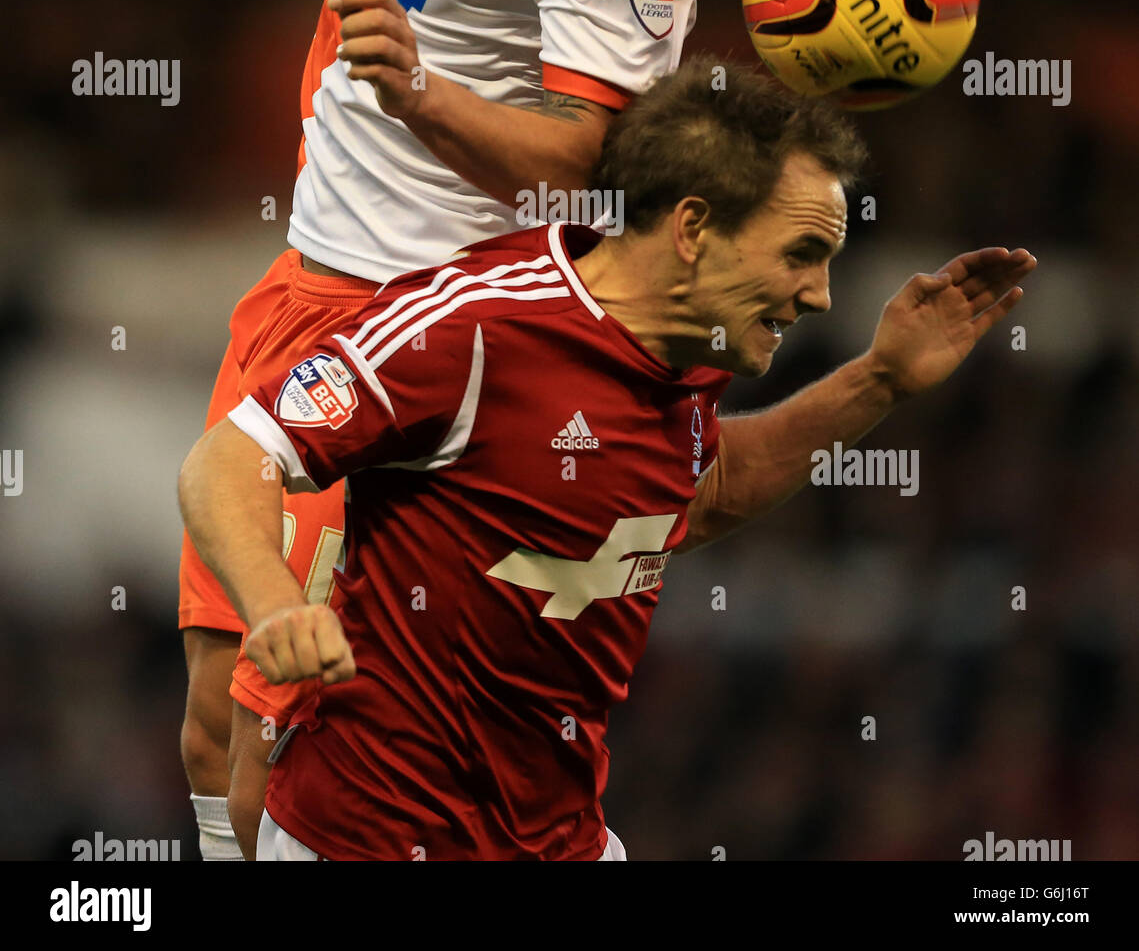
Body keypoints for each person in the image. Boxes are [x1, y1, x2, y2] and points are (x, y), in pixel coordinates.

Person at [178, 0, 807, 860]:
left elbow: (592, 165)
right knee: (205, 726)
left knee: (276, 758)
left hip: (410, 335)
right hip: (309, 275)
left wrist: (414, 87)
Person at [179, 59, 1036, 860]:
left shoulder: (696, 347)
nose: (817, 295)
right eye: (800, 254)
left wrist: (877, 381)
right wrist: (276, 608)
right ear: (693, 227)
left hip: (561, 839)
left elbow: (694, 494)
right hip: (367, 838)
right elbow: (226, 461)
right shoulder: (475, 329)